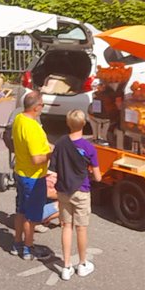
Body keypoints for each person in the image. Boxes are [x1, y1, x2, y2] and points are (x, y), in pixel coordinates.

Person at [51, 109, 102, 280]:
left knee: (66, 226)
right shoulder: (88, 147)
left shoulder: (60, 143)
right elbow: (98, 176)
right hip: (81, 190)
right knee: (81, 228)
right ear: (84, 124)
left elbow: (54, 167)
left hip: (63, 190)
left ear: (68, 123)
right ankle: (82, 263)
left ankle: (66, 266)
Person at [11, 90, 52, 261]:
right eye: (42, 105)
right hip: (33, 177)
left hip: (20, 172)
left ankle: (16, 243)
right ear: (36, 107)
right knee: (32, 216)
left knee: (21, 211)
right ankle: (28, 247)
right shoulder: (33, 128)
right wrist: (52, 154)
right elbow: (37, 159)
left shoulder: (19, 119)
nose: (43, 107)